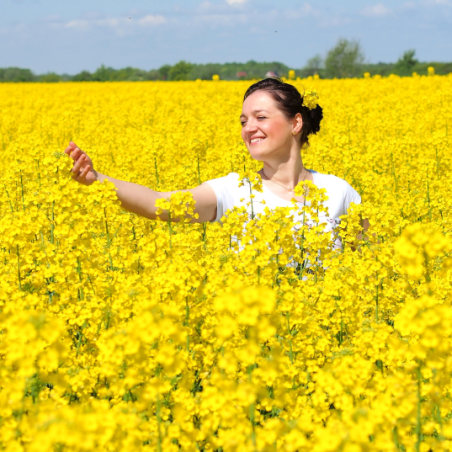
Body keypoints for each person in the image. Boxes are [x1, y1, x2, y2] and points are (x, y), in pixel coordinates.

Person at [65, 78, 368, 237]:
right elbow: (160, 205)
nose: (250, 128)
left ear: (296, 123)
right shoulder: (235, 192)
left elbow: (373, 266)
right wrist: (96, 179)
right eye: (243, 121)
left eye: (260, 117)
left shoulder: (339, 192)